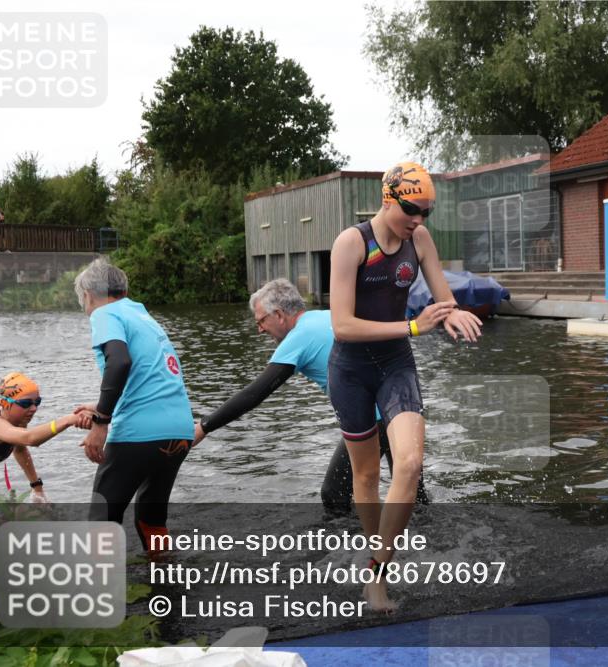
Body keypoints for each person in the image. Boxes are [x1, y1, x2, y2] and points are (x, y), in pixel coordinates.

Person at [328, 161, 482, 611]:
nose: (418, 219)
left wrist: (451, 313)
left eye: (426, 212)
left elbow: (442, 295)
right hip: (352, 370)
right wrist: (413, 327)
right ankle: (373, 548)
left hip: (396, 364)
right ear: (387, 198)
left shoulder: (419, 240)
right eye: (412, 209)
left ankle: (377, 571)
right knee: (367, 474)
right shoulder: (352, 243)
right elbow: (341, 325)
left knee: (411, 464)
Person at [191, 279, 429, 512]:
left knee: (334, 494)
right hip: (401, 407)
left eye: (261, 321)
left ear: (279, 315)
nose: (259, 329)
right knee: (412, 496)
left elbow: (255, 393)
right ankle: (430, 543)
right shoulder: (329, 316)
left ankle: (350, 549)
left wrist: (205, 426)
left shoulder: (298, 338)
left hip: (374, 416)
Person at [73, 258, 194, 552]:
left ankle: (95, 594)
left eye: (82, 301)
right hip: (179, 430)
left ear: (88, 294)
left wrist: (101, 422)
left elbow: (120, 361)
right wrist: (100, 404)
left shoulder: (104, 314)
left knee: (100, 521)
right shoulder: (141, 315)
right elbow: (149, 375)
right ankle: (167, 586)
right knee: (150, 518)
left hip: (141, 431)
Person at [0, 372, 85, 517]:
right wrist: (68, 420)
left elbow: (20, 450)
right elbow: (30, 439)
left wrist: (37, 488)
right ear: (4, 403)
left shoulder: (18, 424)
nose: (33, 408)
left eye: (37, 402)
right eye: (25, 403)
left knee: (4, 527)